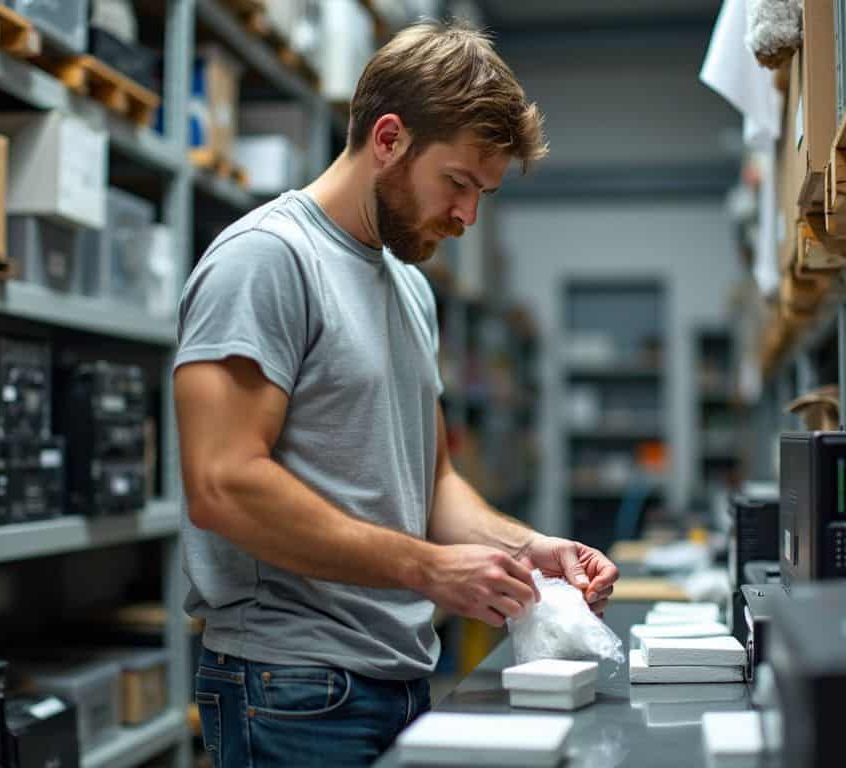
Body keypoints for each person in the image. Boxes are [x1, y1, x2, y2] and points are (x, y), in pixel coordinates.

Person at [173, 19, 620, 767]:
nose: (469, 217)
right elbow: (221, 484)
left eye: (484, 194)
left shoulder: (410, 288)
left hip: (401, 677)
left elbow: (431, 481)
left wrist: (529, 551)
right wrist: (426, 568)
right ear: (387, 139)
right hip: (290, 688)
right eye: (458, 183)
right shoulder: (268, 260)